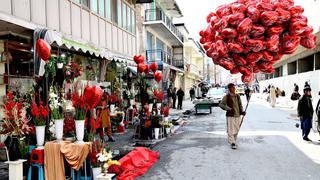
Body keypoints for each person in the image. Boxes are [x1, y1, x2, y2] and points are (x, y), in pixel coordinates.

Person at [219, 83, 246, 149]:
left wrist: (242, 112)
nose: (234, 89)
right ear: (229, 89)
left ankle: (234, 140)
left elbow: (240, 105)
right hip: (230, 116)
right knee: (231, 130)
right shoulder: (227, 96)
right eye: (232, 88)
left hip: (237, 115)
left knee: (237, 129)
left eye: (234, 87)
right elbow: (221, 104)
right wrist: (228, 108)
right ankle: (232, 143)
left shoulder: (237, 96)